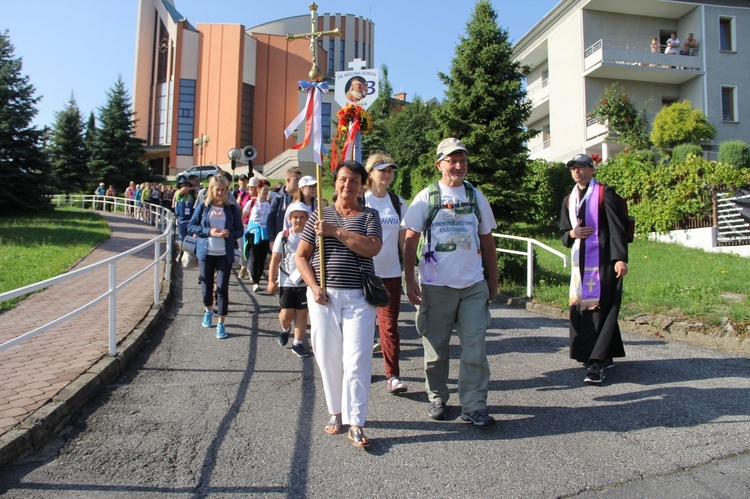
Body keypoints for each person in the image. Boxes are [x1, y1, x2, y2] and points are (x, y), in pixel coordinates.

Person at [401, 138, 498, 427]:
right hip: (435, 286)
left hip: (472, 286)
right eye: (452, 160)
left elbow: (487, 240)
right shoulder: (425, 197)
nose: (458, 166)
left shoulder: (475, 196)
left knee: (475, 348)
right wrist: (410, 279)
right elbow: (410, 240)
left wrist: (492, 280)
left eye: (463, 160)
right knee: (435, 349)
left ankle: (474, 405)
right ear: (439, 164)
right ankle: (437, 396)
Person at [295, 160, 383, 448]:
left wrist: (336, 232)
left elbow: (372, 247)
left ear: (362, 185)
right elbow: (301, 256)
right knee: (328, 357)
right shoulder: (319, 215)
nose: (348, 185)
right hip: (324, 297)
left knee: (357, 360)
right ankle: (336, 412)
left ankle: (356, 422)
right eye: (343, 179)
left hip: (359, 297)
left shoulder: (369, 215)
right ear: (336, 182)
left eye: (354, 181)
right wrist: (313, 285)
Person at [558, 153, 629, 384]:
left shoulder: (604, 193)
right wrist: (572, 234)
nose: (577, 171)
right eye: (573, 168)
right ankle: (598, 354)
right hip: (580, 263)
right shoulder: (569, 200)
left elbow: (617, 228)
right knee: (581, 309)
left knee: (600, 309)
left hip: (603, 260)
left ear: (592, 169)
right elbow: (563, 233)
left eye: (582, 167)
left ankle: (596, 362)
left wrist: (620, 258)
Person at [363, 152, 408, 394]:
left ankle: (393, 376)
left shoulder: (398, 203)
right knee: (361, 326)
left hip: (390, 273)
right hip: (363, 273)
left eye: (391, 169)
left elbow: (404, 242)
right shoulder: (362, 201)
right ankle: (359, 371)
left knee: (389, 327)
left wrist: (409, 272)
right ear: (370, 173)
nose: (387, 173)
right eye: (382, 169)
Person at [188, 175, 244, 339]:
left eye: (223, 189)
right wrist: (208, 231)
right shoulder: (204, 207)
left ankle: (221, 323)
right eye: (217, 189)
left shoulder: (232, 208)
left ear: (227, 190)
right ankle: (208, 310)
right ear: (211, 190)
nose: (220, 192)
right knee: (206, 288)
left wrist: (230, 234)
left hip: (224, 254)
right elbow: (192, 225)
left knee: (222, 288)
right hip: (205, 253)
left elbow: (240, 230)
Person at [268, 201, 311, 358]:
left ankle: (297, 343)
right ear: (290, 218)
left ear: (307, 218)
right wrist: (272, 280)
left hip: (305, 280)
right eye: (295, 217)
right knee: (286, 313)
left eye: (301, 217)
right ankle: (285, 328)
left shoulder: (311, 235)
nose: (298, 220)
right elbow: (275, 259)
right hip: (287, 280)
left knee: (302, 313)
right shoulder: (284, 236)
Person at [243, 180, 272, 292]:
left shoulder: (269, 204)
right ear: (258, 190)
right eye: (264, 189)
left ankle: (258, 278)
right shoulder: (251, 203)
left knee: (262, 258)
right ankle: (255, 282)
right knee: (254, 256)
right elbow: (243, 217)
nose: (266, 192)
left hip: (265, 233)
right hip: (253, 232)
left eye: (268, 190)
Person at [266, 167, 302, 246]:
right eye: (296, 179)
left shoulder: (302, 198)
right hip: (281, 238)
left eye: (300, 179)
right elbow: (271, 220)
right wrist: (272, 239)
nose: (299, 182)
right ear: (288, 180)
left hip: (298, 239)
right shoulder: (278, 197)